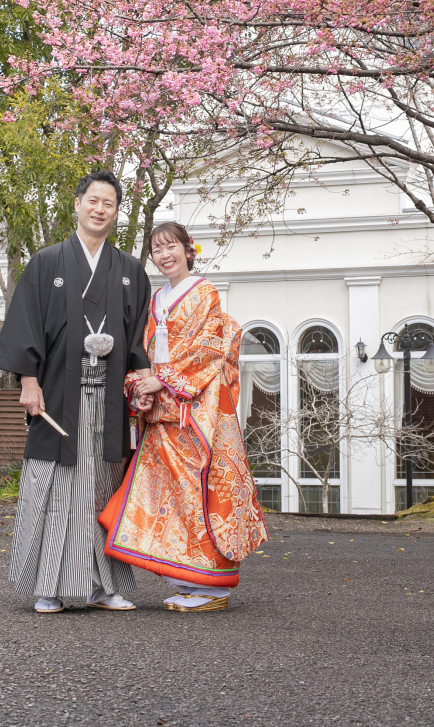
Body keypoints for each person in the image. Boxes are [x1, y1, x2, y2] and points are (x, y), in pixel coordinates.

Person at [0, 170, 152, 613]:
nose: (100, 209)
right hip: (59, 395)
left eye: (109, 204)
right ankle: (50, 586)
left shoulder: (130, 271)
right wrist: (28, 381)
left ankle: (103, 586)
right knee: (55, 486)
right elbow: (25, 323)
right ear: (77, 205)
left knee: (103, 485)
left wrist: (142, 383)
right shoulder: (47, 263)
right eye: (93, 201)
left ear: (116, 213)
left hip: (110, 399)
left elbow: (139, 337)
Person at [99, 221, 268, 611]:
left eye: (171, 246)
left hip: (194, 412)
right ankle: (188, 580)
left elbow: (207, 350)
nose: (165, 255)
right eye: (157, 249)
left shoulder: (204, 293)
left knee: (197, 496)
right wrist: (139, 388)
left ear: (188, 251)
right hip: (162, 413)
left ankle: (213, 586)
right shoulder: (155, 299)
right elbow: (142, 352)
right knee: (169, 500)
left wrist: (161, 380)